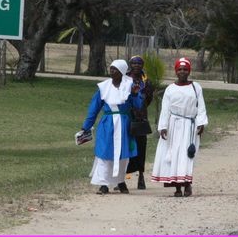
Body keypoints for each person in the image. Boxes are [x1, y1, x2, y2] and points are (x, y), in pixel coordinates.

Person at [81, 59, 144, 194]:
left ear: (121, 72)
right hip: (108, 123)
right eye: (111, 69)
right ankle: (103, 184)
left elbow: (138, 105)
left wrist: (134, 94)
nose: (112, 71)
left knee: (123, 154)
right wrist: (86, 126)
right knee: (104, 153)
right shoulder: (103, 87)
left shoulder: (130, 85)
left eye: (115, 69)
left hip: (124, 123)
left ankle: (120, 181)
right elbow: (94, 108)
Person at [151, 57, 208, 197]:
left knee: (186, 155)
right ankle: (177, 187)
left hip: (189, 127)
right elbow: (165, 109)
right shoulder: (170, 89)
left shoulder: (196, 87)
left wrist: (201, 123)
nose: (182, 72)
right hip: (173, 126)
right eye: (180, 69)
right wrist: (163, 126)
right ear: (176, 71)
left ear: (189, 71)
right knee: (173, 156)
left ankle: (187, 184)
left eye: (185, 69)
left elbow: (201, 107)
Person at [118, 55, 154, 192]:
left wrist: (141, 109)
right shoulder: (124, 79)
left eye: (139, 63)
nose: (137, 65)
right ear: (130, 65)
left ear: (142, 65)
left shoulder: (146, 81)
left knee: (141, 147)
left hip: (140, 119)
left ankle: (141, 176)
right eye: (134, 63)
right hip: (126, 117)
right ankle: (120, 178)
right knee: (124, 147)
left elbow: (148, 99)